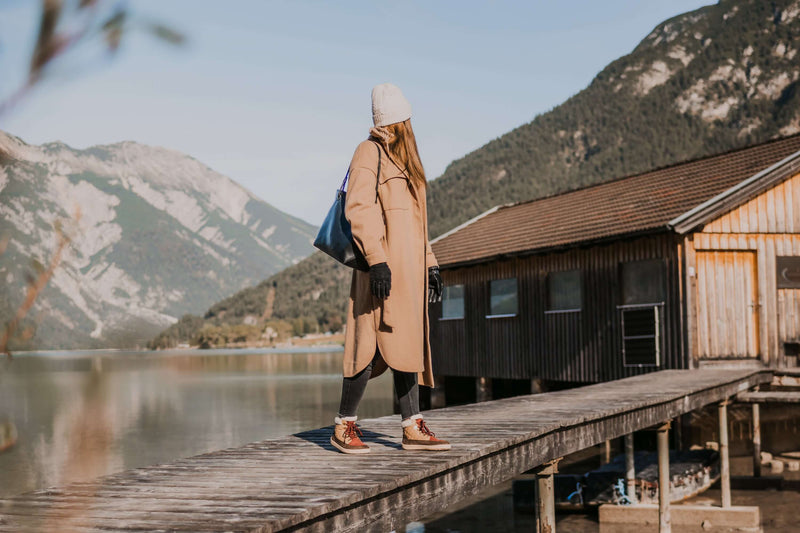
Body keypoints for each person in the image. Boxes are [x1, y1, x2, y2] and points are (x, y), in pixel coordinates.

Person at [330, 83, 450, 454]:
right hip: (381, 270)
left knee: (407, 345)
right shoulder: (369, 152)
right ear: (399, 121)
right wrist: (378, 260)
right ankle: (344, 425)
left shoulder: (406, 163)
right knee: (368, 344)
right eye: (407, 120)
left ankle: (412, 426)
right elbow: (359, 208)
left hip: (409, 275)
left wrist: (430, 264)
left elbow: (417, 226)